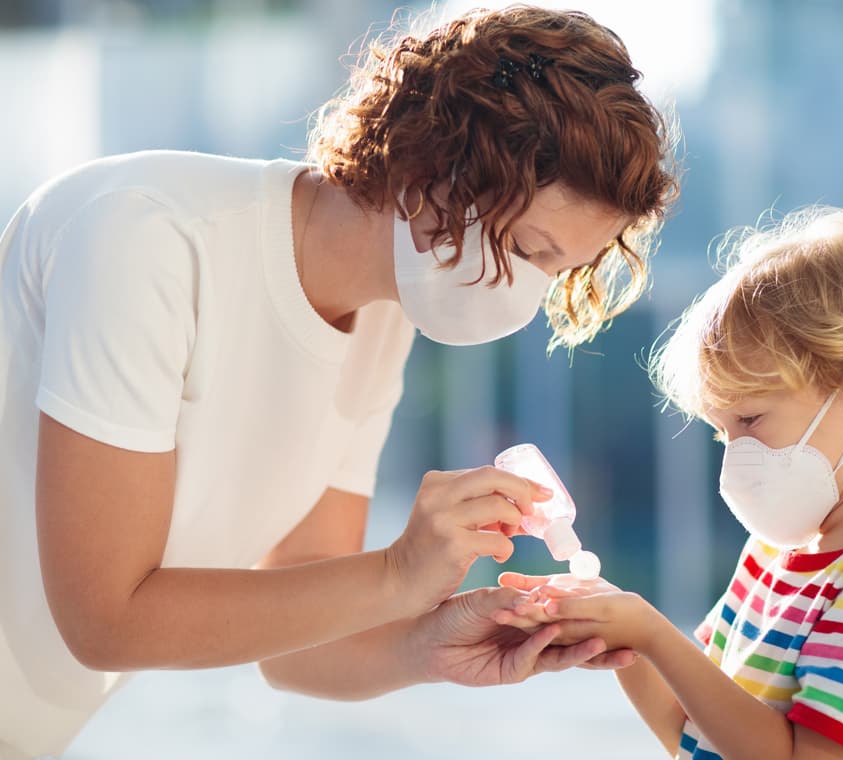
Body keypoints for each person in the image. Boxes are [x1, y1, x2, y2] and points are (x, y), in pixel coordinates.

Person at [0, 5, 677, 758]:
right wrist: (397, 572)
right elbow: (105, 621)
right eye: (527, 248)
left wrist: (434, 643)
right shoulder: (147, 238)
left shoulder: (380, 317)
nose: (529, 295)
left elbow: (295, 644)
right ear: (433, 167)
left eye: (557, 271)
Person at [496, 206, 843, 759]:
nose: (734, 457)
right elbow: (692, 730)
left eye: (750, 420)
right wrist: (619, 629)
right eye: (722, 433)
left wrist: (654, 634)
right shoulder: (775, 552)